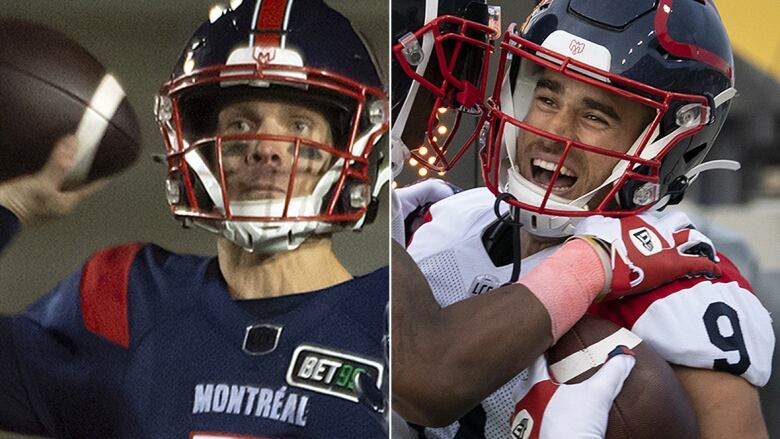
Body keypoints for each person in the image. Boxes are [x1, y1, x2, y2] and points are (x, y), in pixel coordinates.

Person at [0, 0, 389, 437]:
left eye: (299, 126)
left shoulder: (397, 324)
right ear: (199, 147)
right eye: (241, 125)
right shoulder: (129, 300)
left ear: (355, 146)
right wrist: (8, 210)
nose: (267, 148)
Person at [391, 0, 774, 438]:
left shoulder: (682, 291)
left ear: (668, 142)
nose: (555, 132)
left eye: (595, 115)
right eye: (547, 97)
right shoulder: (437, 220)